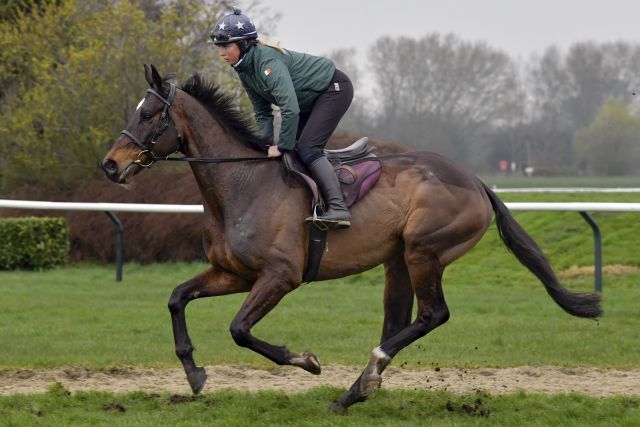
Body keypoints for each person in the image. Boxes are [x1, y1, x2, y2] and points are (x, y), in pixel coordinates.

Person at [210, 7, 354, 229]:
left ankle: (338, 208)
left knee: (307, 148)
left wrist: (283, 146)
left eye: (225, 46)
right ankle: (312, 204)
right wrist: (263, 146)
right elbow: (262, 112)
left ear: (244, 44)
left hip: (334, 90)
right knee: (294, 153)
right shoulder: (245, 70)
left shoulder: (267, 63)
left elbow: (290, 108)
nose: (221, 52)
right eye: (219, 47)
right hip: (310, 100)